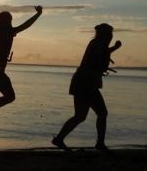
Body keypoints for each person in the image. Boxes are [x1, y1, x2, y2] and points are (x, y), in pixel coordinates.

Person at [52, 23, 122, 152]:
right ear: (104, 35)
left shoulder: (97, 44)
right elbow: (99, 55)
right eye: (109, 34)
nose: (111, 36)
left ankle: (59, 139)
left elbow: (102, 54)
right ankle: (99, 143)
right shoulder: (96, 44)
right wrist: (114, 48)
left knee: (80, 116)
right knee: (101, 113)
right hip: (86, 83)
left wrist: (114, 48)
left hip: (82, 82)